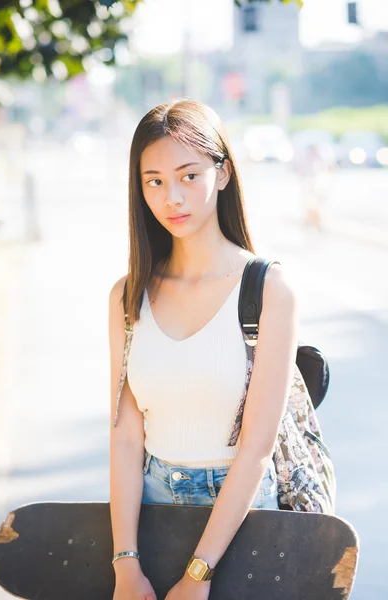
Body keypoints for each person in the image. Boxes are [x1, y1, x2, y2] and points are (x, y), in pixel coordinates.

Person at [108, 99, 298, 600]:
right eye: (154, 180)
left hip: (243, 518)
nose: (172, 196)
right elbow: (127, 436)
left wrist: (199, 573)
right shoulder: (128, 295)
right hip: (152, 508)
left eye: (188, 175)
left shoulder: (268, 289)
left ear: (224, 173)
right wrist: (125, 563)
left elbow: (256, 447)